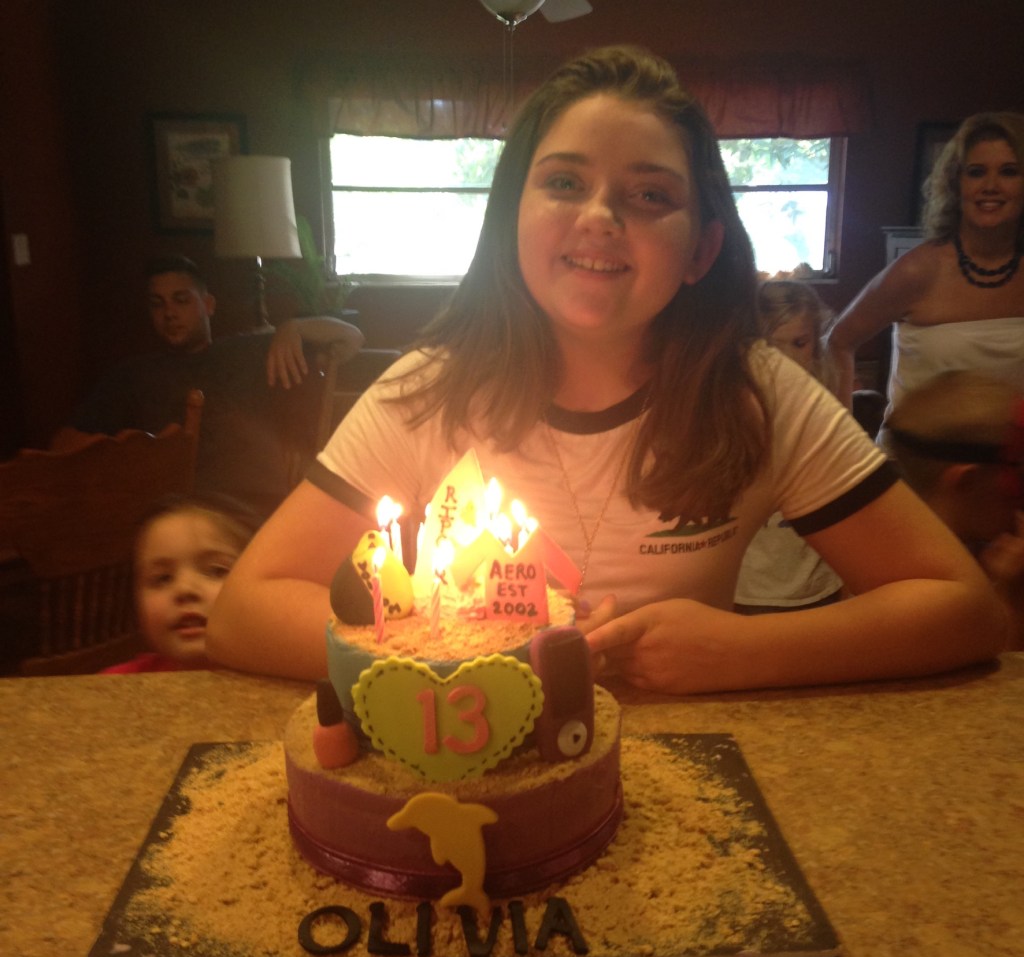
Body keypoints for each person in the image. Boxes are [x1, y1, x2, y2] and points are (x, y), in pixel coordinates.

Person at [207, 45, 1004, 693]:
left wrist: (743, 650)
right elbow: (244, 611)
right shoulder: (429, 389)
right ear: (512, 218)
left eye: (650, 195)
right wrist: (445, 659)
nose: (598, 216)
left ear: (701, 250)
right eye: (563, 182)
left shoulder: (759, 392)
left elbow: (963, 608)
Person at [52, 255, 364, 517]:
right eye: (158, 304)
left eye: (181, 300)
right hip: (175, 511)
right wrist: (135, 453)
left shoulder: (251, 350)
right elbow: (63, 445)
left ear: (208, 304)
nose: (169, 313)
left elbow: (350, 338)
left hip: (258, 505)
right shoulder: (132, 375)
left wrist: (293, 327)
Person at [826, 111, 1024, 415]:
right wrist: (842, 436)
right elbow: (838, 342)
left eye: (1009, 172)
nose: (990, 186)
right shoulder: (917, 270)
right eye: (976, 172)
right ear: (956, 183)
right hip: (912, 447)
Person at [880, 370, 1024, 649]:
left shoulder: (980, 547)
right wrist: (1012, 597)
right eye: (1019, 471)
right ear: (966, 481)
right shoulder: (911, 584)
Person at [734, 281, 844, 613]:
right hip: (747, 588)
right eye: (771, 345)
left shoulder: (828, 413)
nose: (786, 359)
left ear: (816, 345)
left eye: (799, 343)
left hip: (815, 586)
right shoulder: (730, 415)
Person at [103, 493, 258, 673]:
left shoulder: (282, 680)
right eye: (163, 578)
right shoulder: (117, 682)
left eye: (216, 571)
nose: (184, 589)